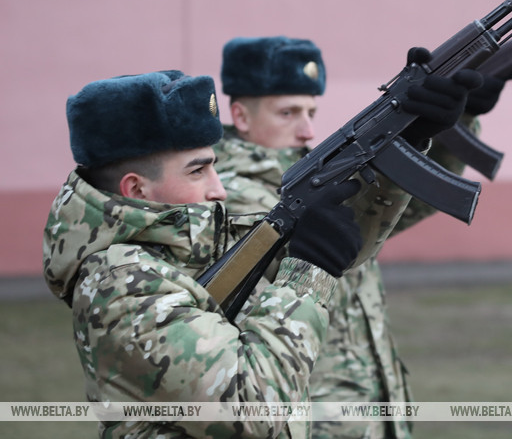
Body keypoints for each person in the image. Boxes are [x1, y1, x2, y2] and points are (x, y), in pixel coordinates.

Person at [43, 63, 475, 437]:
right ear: (136, 188)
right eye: (198, 170)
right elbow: (254, 409)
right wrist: (308, 273)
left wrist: (404, 137)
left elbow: (338, 237)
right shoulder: (120, 284)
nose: (219, 187)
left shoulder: (194, 244)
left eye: (214, 164)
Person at [213, 36, 512, 438]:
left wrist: (436, 130)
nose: (306, 130)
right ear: (241, 115)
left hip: (370, 403)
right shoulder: (227, 195)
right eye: (288, 113)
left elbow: (391, 214)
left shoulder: (317, 173)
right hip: (313, 412)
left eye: (311, 112)